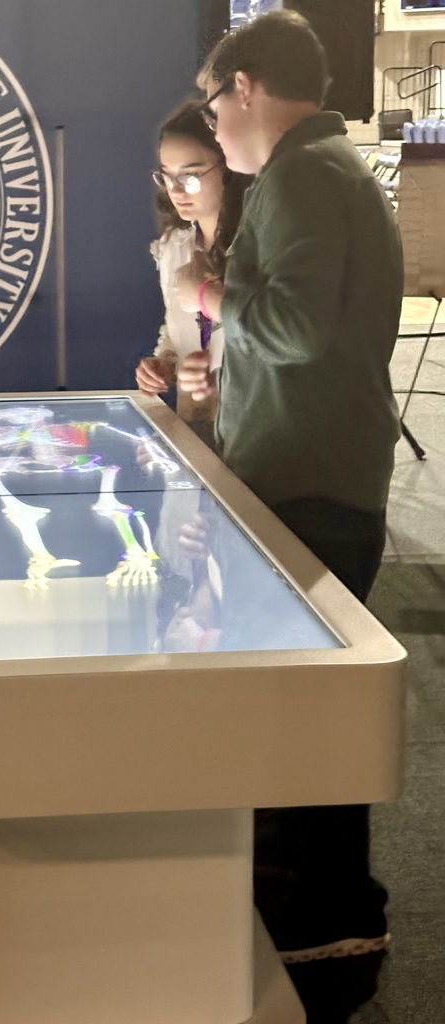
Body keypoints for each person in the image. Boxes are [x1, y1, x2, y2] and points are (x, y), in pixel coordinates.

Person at [180, 6, 403, 982]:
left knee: (305, 711)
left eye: (214, 109)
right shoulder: (325, 171)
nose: (213, 135)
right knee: (309, 704)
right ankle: (325, 906)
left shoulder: (303, 176)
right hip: (319, 474)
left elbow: (298, 330)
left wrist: (206, 292)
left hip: (309, 485)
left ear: (247, 89)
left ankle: (328, 916)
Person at [136, 100, 250, 448]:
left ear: (229, 166)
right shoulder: (175, 245)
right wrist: (164, 365)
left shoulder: (257, 244)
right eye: (167, 177)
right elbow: (177, 333)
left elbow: (279, 333)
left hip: (251, 434)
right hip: (193, 426)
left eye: (190, 176)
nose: (176, 191)